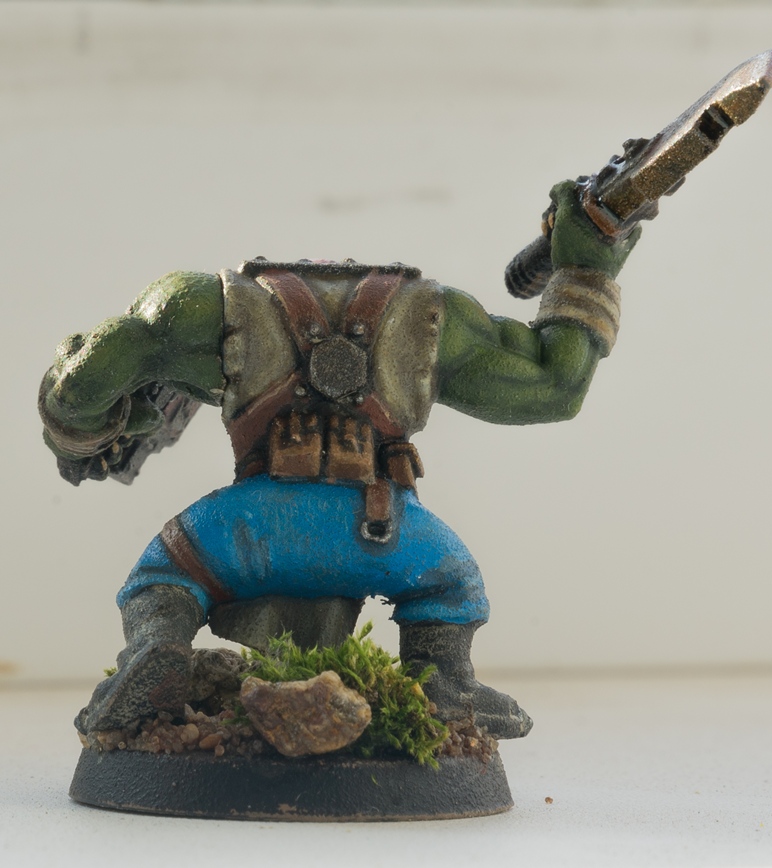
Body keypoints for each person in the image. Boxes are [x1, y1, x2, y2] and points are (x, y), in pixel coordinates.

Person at [39, 180, 639, 740]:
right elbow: (555, 387)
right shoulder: (437, 317)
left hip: (247, 530)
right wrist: (586, 265)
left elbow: (86, 381)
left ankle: (157, 650)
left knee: (162, 575)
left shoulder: (203, 305)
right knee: (452, 583)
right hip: (383, 531)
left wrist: (90, 432)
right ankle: (445, 682)